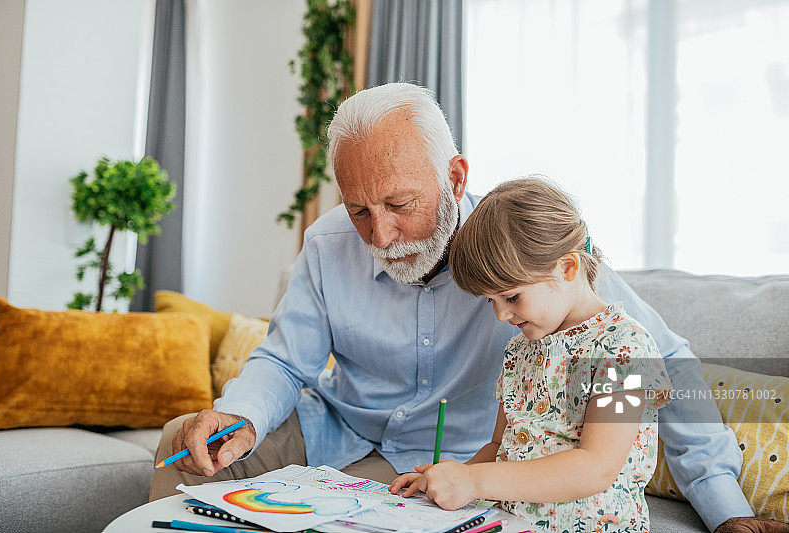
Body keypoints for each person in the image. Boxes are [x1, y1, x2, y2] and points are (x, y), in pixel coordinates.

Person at [150, 82, 783, 533]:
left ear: (456, 177)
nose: (381, 236)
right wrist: (235, 417)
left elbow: (654, 372)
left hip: (463, 468)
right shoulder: (329, 245)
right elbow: (285, 364)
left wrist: (726, 508)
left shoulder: (534, 259)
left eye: (400, 204)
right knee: (181, 446)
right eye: (359, 209)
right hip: (343, 433)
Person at [389, 177, 673, 531]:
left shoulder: (624, 349)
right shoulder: (520, 351)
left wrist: (476, 482)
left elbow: (596, 466)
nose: (501, 316)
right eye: (490, 301)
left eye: (511, 297)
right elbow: (499, 447)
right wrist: (452, 477)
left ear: (567, 268)